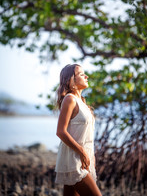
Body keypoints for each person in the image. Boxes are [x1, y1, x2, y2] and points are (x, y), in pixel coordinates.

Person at [55, 64, 102, 196]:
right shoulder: (70, 99)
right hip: (74, 160)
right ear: (71, 80)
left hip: (83, 159)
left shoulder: (82, 102)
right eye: (81, 74)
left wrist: (90, 157)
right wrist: (81, 152)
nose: (86, 76)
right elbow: (60, 132)